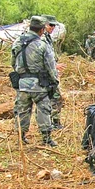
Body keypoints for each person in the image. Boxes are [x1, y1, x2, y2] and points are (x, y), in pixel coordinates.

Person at [12, 16, 59, 146]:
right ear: (42, 30)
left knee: (22, 110)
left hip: (22, 84)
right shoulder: (42, 45)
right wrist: (55, 82)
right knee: (44, 110)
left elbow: (13, 63)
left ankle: (21, 137)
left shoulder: (17, 42)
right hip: (39, 85)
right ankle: (46, 138)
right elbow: (51, 67)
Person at [42, 15, 65, 130]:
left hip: (51, 73)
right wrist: (54, 67)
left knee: (54, 98)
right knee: (54, 98)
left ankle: (53, 122)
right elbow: (41, 59)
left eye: (54, 25)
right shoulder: (40, 39)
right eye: (51, 25)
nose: (53, 27)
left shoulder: (48, 38)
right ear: (44, 24)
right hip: (45, 75)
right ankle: (53, 124)